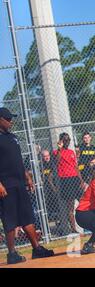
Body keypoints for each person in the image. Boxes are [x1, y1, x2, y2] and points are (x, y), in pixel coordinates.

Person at [0, 107, 54, 264]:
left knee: (27, 216)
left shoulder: (13, 137)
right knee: (9, 219)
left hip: (19, 183)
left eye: (11, 119)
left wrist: (27, 177)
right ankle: (11, 253)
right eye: (8, 119)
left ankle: (36, 249)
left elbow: (17, 160)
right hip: (6, 185)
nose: (11, 121)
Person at [53, 133, 87, 235]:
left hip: (75, 179)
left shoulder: (71, 152)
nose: (67, 142)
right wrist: (59, 149)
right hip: (65, 180)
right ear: (61, 141)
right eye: (65, 140)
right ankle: (73, 229)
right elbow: (56, 161)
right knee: (70, 206)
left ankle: (86, 225)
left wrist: (81, 180)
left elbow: (76, 167)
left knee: (83, 201)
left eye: (68, 140)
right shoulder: (56, 152)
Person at [40, 150, 60, 223]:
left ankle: (58, 220)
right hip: (46, 188)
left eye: (48, 156)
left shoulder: (53, 163)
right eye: (45, 156)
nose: (47, 157)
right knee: (48, 204)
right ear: (42, 157)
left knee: (57, 203)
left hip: (54, 187)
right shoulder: (41, 165)